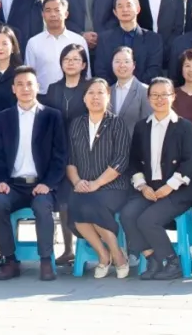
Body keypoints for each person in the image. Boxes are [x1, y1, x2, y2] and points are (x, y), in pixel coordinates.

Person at [0, 66, 67, 281]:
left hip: (41, 184)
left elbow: (60, 156)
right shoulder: (3, 118)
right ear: (13, 89)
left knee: (42, 207)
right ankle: (10, 260)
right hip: (13, 184)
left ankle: (45, 260)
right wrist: (0, 181)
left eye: (30, 84)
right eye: (20, 84)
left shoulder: (52, 116)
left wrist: (48, 184)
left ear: (38, 87)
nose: (25, 88)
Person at [120, 78, 192, 280]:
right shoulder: (141, 127)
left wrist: (169, 186)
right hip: (149, 188)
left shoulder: (184, 126)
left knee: (148, 220)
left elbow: (189, 161)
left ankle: (173, 262)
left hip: (178, 189)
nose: (159, 99)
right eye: (154, 95)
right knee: (127, 215)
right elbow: (134, 161)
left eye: (164, 94)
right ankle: (153, 258)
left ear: (173, 97)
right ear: (148, 99)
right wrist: (142, 185)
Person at [67, 79, 132, 279]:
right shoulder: (76, 124)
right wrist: (77, 182)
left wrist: (97, 183)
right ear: (84, 98)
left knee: (90, 204)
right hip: (84, 185)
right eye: (91, 93)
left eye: (100, 93)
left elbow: (121, 160)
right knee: (74, 204)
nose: (95, 97)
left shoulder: (117, 123)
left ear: (108, 97)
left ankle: (115, 254)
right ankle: (104, 254)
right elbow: (70, 160)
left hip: (113, 186)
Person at [24, 0, 90, 94]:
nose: (53, 14)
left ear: (66, 14)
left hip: (74, 95)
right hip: (43, 96)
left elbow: (87, 74)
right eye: (48, 11)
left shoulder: (78, 41)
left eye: (57, 10)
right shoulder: (34, 43)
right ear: (43, 14)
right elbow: (29, 75)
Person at [93, 0, 163, 84]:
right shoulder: (104, 39)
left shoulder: (153, 39)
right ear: (115, 12)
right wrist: (115, 88)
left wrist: (135, 88)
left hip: (143, 90)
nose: (125, 9)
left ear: (138, 9)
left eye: (129, 5)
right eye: (120, 6)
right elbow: (100, 70)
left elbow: (154, 70)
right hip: (112, 90)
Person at [39, 44, 91, 126]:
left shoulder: (90, 88)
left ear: (83, 65)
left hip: (82, 132)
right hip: (58, 133)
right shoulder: (53, 88)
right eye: (66, 59)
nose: (70, 63)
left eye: (75, 59)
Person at [108, 47, 153, 138]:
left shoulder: (145, 91)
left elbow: (148, 125)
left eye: (126, 61)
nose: (122, 65)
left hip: (134, 144)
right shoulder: (107, 91)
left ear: (134, 65)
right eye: (117, 61)